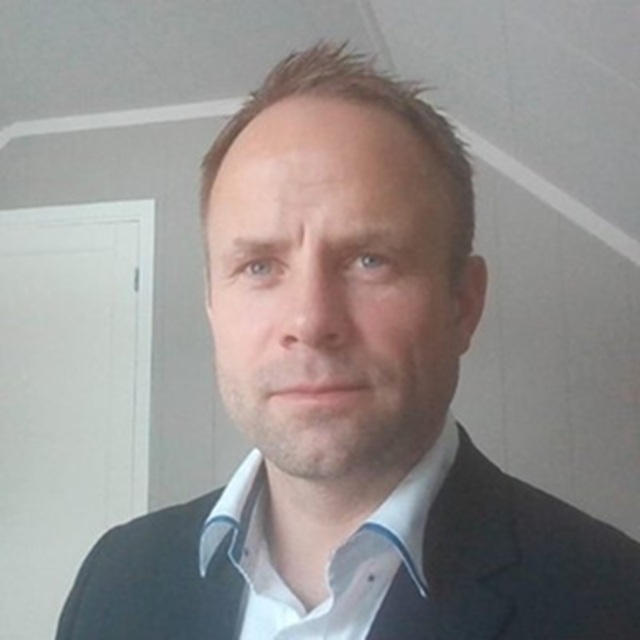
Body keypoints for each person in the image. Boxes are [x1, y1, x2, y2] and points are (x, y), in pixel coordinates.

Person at [56, 43, 640, 640]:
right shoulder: (115, 578)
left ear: (463, 304)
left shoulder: (615, 601)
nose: (310, 321)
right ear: (212, 305)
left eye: (369, 260)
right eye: (259, 266)